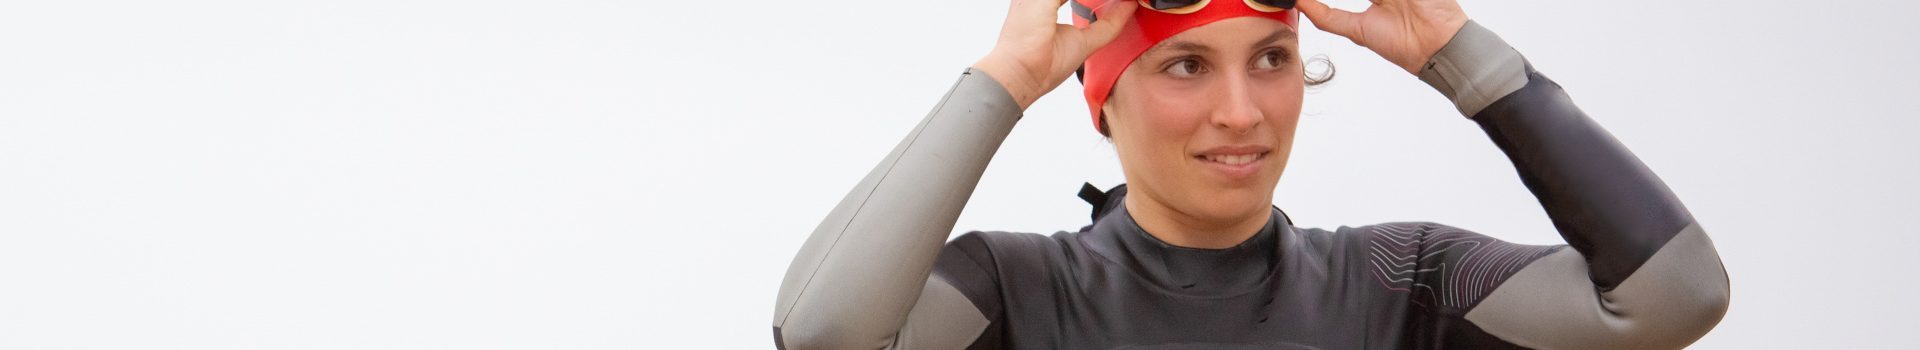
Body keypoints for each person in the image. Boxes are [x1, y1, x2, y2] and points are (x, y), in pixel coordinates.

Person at [770, 0, 1730, 348]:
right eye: (1187, 64)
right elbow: (823, 333)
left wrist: (1457, 52)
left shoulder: (1399, 286)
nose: (1243, 111)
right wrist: (1004, 81)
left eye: (1272, 58)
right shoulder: (1015, 295)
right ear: (1102, 97)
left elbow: (1672, 296)